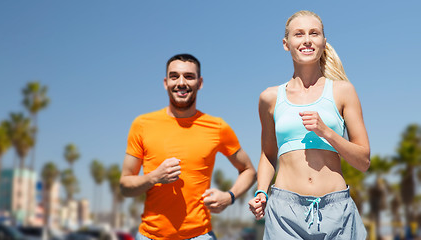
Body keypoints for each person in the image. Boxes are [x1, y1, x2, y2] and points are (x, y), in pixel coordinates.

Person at [248, 10, 370, 239]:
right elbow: (268, 153)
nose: (306, 40)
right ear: (286, 44)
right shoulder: (269, 97)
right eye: (298, 34)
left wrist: (327, 132)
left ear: (324, 42)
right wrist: (261, 191)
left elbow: (363, 161)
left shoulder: (343, 91)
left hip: (338, 212)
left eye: (314, 33)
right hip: (285, 213)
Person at [120, 53, 256, 240]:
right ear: (165, 82)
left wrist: (229, 197)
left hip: (200, 235)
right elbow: (125, 185)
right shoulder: (142, 124)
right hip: (150, 236)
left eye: (189, 76)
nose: (181, 82)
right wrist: (154, 177)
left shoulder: (217, 127)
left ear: (199, 83)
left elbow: (248, 170)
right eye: (174, 76)